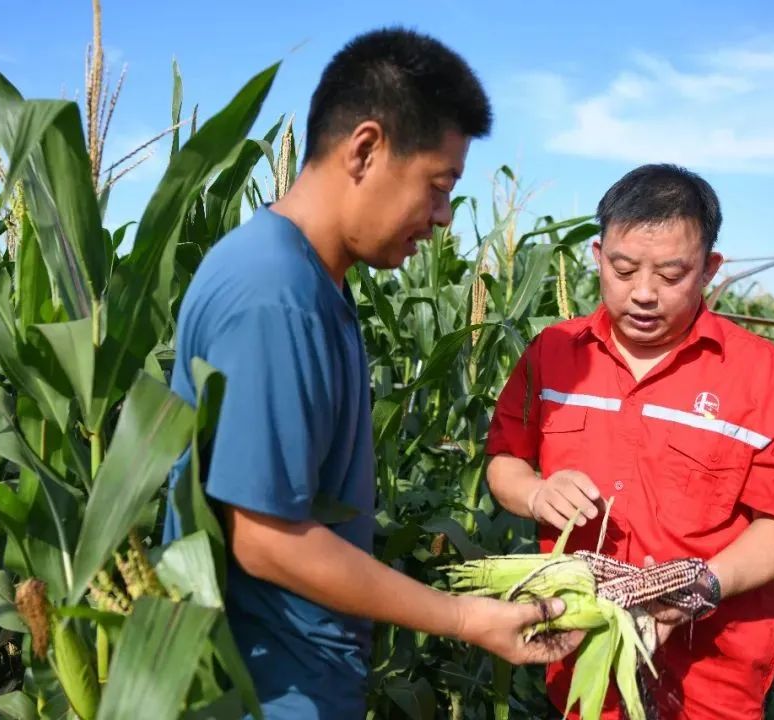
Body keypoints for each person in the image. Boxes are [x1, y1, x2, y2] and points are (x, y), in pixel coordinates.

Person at [162, 27, 583, 720]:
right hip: (265, 690)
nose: (444, 217)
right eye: (438, 187)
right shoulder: (276, 295)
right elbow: (265, 540)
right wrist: (464, 618)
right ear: (365, 149)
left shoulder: (313, 279)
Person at [484, 163, 774, 719]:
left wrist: (705, 582)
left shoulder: (766, 378)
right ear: (598, 257)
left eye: (672, 274)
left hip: (711, 672)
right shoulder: (552, 355)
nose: (644, 294)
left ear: (709, 270)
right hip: (583, 654)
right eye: (624, 270)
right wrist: (534, 494)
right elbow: (505, 462)